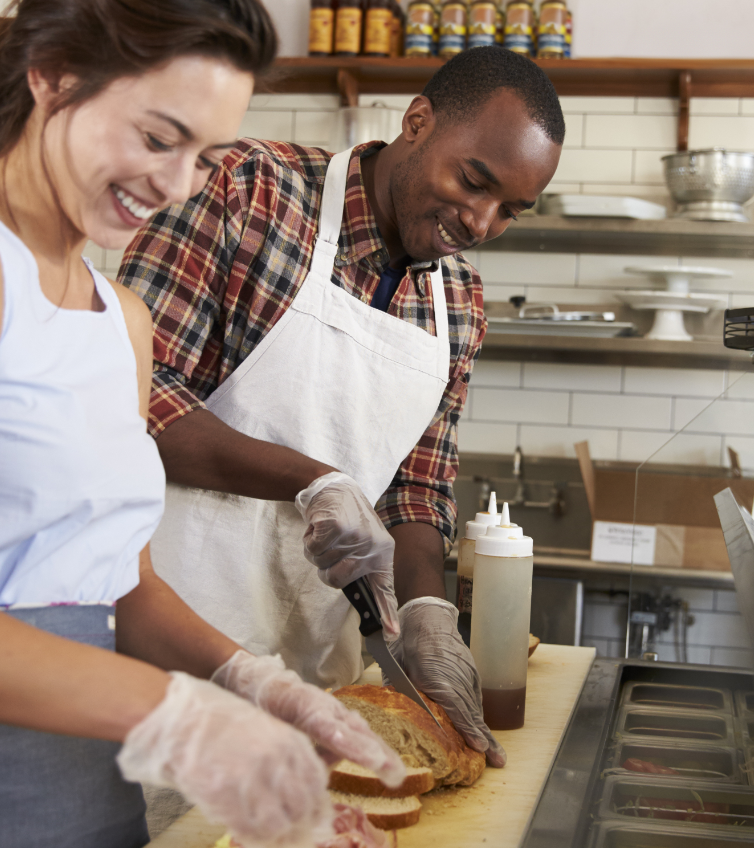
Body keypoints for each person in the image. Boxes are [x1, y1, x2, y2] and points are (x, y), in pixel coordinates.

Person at [0, 2, 402, 846]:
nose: (180, 186)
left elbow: (118, 585)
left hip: (81, 797)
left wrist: (256, 684)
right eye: (158, 139)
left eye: (205, 157)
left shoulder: (123, 320)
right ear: (54, 77)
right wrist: (178, 717)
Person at [120, 45, 565, 770]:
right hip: (168, 647)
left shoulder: (461, 304)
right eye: (473, 180)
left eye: (510, 210)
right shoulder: (249, 190)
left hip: (316, 682)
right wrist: (313, 479)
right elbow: (131, 395)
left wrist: (427, 613)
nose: (481, 222)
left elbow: (417, 491)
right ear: (418, 122)